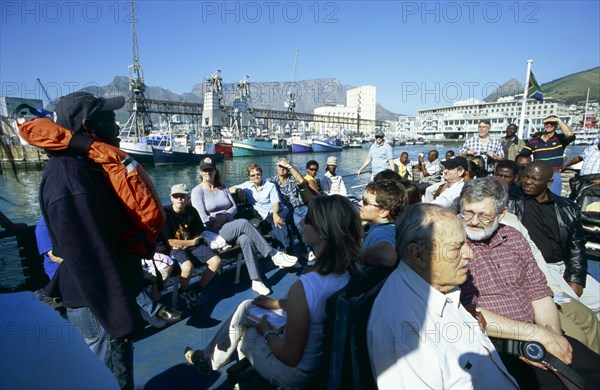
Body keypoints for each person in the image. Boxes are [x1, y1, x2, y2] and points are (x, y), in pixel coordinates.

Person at [184, 195, 363, 388]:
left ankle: (223, 371)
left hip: (296, 373)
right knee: (247, 306)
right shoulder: (352, 270)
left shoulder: (305, 286)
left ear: (323, 233)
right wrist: (275, 304)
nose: (301, 222)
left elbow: (290, 357)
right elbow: (311, 308)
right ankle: (207, 358)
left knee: (246, 334)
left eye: (308, 220)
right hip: (323, 358)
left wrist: (266, 331)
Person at [39, 91, 143, 388]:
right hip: (98, 305)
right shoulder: (71, 179)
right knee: (112, 379)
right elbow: (89, 255)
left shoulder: (82, 167)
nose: (116, 125)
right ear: (88, 126)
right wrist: (119, 316)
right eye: (109, 118)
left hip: (100, 300)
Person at [458, 177, 600, 389]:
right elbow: (466, 310)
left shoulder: (513, 237)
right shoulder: (455, 243)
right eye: (468, 213)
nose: (474, 221)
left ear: (502, 214)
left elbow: (538, 292)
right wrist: (538, 335)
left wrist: (552, 335)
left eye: (484, 216)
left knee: (594, 370)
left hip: (536, 330)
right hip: (496, 343)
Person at [368, 203, 518, 389]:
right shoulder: (405, 328)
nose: (469, 255)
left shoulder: (441, 288)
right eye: (456, 248)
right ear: (417, 254)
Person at [191, 157, 298, 296]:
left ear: (215, 171)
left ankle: (256, 280)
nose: (208, 172)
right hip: (213, 231)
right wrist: (223, 217)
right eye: (204, 170)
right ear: (200, 172)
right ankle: (273, 254)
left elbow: (234, 208)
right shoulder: (197, 191)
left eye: (210, 169)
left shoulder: (222, 187)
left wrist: (225, 216)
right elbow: (203, 219)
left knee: (246, 240)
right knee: (243, 223)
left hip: (230, 226)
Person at [508, 161, 600, 318]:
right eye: (526, 177)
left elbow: (576, 247)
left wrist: (576, 279)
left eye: (534, 179)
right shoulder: (510, 202)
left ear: (549, 182)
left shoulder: (567, 208)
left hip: (563, 266)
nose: (528, 182)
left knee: (597, 299)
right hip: (539, 267)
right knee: (572, 308)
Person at [162, 183, 221, 308]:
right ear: (171, 198)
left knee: (216, 261)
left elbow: (199, 233)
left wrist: (192, 242)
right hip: (176, 248)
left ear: (188, 198)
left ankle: (198, 289)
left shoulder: (192, 211)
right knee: (188, 267)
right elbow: (170, 242)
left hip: (193, 245)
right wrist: (188, 243)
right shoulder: (166, 214)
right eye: (176, 196)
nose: (180, 199)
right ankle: (184, 291)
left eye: (183, 196)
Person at [232, 163, 291, 251]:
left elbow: (276, 203)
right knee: (275, 229)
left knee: (279, 225)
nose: (256, 177)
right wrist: (238, 190)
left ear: (261, 174)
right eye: (253, 175)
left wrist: (275, 214)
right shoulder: (247, 185)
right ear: (249, 177)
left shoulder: (270, 186)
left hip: (279, 210)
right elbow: (229, 189)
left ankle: (285, 253)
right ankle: (283, 254)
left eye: (258, 174)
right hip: (265, 217)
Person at [519, 114, 575, 194]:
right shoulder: (534, 141)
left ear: (556, 125)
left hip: (554, 176)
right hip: (537, 175)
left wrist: (558, 120)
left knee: (553, 200)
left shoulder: (560, 139)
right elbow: (522, 156)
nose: (549, 125)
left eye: (552, 123)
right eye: (546, 123)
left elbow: (569, 134)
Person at [360, 180, 405, 267]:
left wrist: (350, 254)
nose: (360, 203)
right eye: (361, 199)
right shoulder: (392, 227)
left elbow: (388, 255)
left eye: (366, 202)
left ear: (383, 211)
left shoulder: (382, 231)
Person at [268, 157, 309, 242]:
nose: (282, 168)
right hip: (288, 211)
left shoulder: (293, 178)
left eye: (285, 166)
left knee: (315, 222)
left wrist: (290, 166)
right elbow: (256, 183)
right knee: (301, 225)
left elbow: (301, 181)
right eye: (280, 166)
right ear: (276, 167)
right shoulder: (272, 181)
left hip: (302, 207)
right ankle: (309, 250)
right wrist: (237, 189)